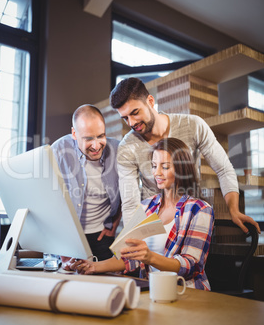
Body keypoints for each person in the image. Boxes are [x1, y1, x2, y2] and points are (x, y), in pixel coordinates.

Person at [109, 77, 260, 234]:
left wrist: (234, 210)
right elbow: (130, 203)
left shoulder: (193, 125)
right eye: (125, 118)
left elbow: (223, 169)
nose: (132, 123)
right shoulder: (127, 146)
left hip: (190, 218)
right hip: (154, 223)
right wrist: (133, 237)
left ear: (150, 101)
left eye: (135, 113)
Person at [66, 138, 214, 290]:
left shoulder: (200, 209)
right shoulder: (146, 206)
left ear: (182, 169)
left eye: (165, 167)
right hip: (153, 291)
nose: (156, 173)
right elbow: (127, 258)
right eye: (154, 166)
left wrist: (149, 257)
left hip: (187, 292)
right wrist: (92, 266)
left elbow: (191, 265)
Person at [51, 104, 121, 262]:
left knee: (103, 284)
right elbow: (48, 200)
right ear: (74, 134)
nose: (96, 146)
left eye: (101, 136)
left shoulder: (117, 151)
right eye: (88, 139)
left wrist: (115, 225)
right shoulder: (57, 152)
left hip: (102, 236)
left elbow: (128, 193)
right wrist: (61, 244)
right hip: (66, 236)